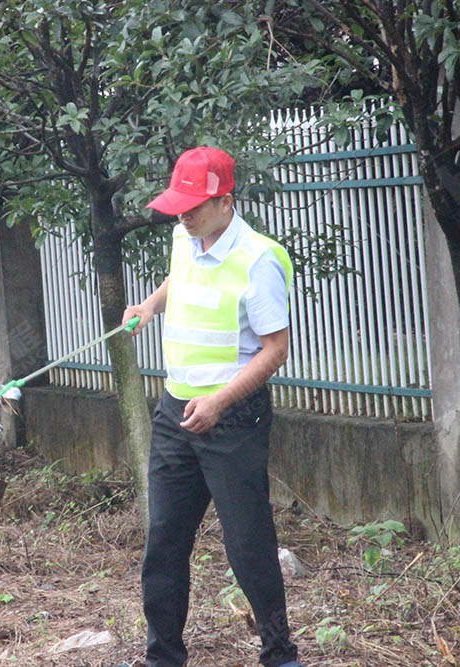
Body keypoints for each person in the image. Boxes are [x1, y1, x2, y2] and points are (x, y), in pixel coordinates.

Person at [122, 147, 305, 667]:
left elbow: (276, 349)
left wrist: (221, 401)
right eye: (178, 205)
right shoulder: (186, 236)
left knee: (248, 545)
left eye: (194, 206)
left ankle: (279, 654)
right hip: (175, 413)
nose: (183, 214)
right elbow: (179, 278)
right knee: (163, 542)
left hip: (233, 420)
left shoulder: (257, 259)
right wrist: (149, 306)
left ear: (226, 202)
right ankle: (163, 657)